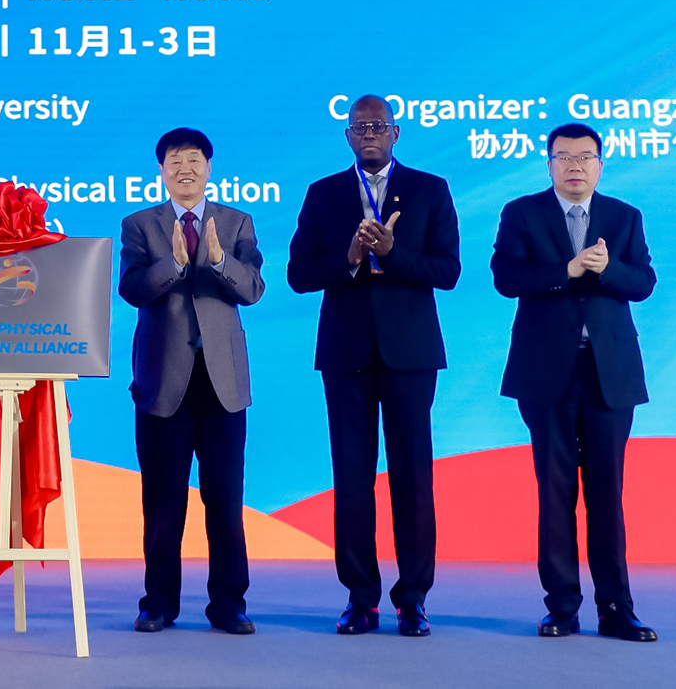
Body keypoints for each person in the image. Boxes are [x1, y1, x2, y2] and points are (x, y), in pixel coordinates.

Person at [288, 95, 460, 638]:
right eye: (360, 126)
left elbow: (448, 270)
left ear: (396, 132)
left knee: (413, 479)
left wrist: (390, 252)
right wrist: (349, 259)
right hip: (346, 356)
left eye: (378, 125)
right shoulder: (323, 193)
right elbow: (298, 274)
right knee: (352, 481)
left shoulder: (431, 189)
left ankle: (414, 599)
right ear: (347, 135)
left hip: (410, 356)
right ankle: (361, 599)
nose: (369, 133)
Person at [491, 122, 658, 642]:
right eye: (564, 157)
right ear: (549, 164)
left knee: (607, 493)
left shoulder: (624, 217)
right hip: (546, 372)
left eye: (585, 157)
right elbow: (505, 278)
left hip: (609, 373)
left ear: (600, 165)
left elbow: (644, 282)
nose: (575, 166)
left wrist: (606, 270)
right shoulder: (522, 213)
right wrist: (566, 270)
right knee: (555, 490)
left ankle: (617, 608)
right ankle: (561, 606)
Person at [118, 127, 265, 636]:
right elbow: (132, 289)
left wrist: (219, 260)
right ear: (161, 170)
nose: (186, 169)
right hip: (164, 382)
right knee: (163, 501)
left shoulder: (237, 222)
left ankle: (229, 603)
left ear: (209, 168)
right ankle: (158, 602)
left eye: (195, 160)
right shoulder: (140, 225)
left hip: (222, 383)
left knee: (224, 500)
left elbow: (253, 289)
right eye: (175, 161)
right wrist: (175, 263)